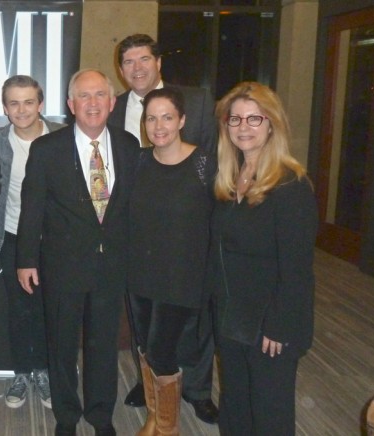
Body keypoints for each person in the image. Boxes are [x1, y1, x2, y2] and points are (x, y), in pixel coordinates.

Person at [16, 69, 140, 436]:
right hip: (62, 266)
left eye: (100, 95)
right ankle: (66, 416)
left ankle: (101, 415)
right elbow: (32, 208)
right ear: (70, 104)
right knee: (62, 345)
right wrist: (25, 259)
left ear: (112, 102)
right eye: (83, 96)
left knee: (103, 346)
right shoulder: (46, 149)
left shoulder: (128, 145)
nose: (92, 103)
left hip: (111, 265)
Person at [108, 33, 219, 424]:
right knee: (148, 335)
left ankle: (198, 390)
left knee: (191, 330)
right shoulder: (114, 107)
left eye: (143, 59)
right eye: (128, 62)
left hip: (186, 253)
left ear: (158, 63)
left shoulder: (198, 102)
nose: (136, 68)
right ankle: (151, 385)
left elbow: (212, 192)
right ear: (120, 71)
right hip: (144, 255)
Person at [209, 82, 317, 435]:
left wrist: (279, 324)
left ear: (272, 124)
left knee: (269, 414)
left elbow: (297, 269)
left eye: (255, 118)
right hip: (233, 315)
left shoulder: (291, 186)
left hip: (270, 321)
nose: (243, 127)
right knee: (236, 403)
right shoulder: (229, 179)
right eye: (235, 119)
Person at [128, 87, 216, 435]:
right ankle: (155, 416)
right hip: (140, 275)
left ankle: (167, 427)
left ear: (182, 120)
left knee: (162, 353)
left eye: (167, 117)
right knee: (146, 350)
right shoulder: (139, 162)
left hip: (181, 279)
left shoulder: (205, 164)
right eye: (151, 118)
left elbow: (221, 223)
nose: (158, 125)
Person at [0, 75, 64, 410]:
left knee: (51, 309)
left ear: (41, 104)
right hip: (11, 236)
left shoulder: (63, 138)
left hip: (54, 239)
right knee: (19, 309)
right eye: (14, 103)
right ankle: (22, 372)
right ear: (5, 107)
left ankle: (46, 371)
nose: (22, 110)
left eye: (29, 102)